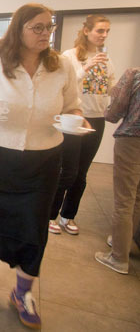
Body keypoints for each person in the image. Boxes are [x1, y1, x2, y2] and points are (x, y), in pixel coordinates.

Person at [0, 4, 85, 329]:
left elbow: (74, 105)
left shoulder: (62, 67)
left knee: (33, 225)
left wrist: (76, 119)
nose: (46, 33)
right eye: (38, 27)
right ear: (19, 29)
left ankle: (23, 292)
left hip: (43, 159)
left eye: (50, 27)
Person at [49, 15, 115, 236]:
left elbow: (110, 87)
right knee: (67, 171)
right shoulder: (70, 57)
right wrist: (87, 67)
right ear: (86, 31)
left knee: (82, 173)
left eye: (106, 31)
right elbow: (65, 84)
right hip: (73, 117)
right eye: (99, 30)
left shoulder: (106, 59)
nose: (103, 35)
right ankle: (50, 215)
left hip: (97, 118)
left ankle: (68, 215)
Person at [95, 67, 140, 274]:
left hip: (132, 140)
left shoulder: (134, 74)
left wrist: (107, 113)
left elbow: (117, 110)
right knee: (137, 197)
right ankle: (127, 242)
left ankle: (119, 257)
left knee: (124, 199)